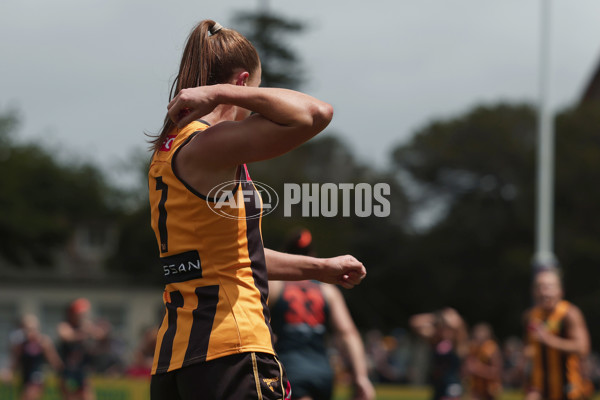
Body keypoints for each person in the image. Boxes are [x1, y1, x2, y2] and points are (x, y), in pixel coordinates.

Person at [147, 20, 366, 400]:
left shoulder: (170, 148)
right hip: (231, 347)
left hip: (175, 361)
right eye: (257, 89)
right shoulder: (208, 146)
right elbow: (316, 113)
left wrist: (319, 268)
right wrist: (222, 92)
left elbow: (231, 256)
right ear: (244, 82)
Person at [268, 229, 375, 400]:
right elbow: (347, 333)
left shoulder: (274, 286)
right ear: (312, 254)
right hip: (322, 372)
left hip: (289, 369)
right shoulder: (328, 291)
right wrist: (361, 377)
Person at [524, 267, 594, 400]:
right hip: (541, 390)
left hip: (569, 390)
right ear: (533, 292)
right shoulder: (531, 317)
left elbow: (583, 348)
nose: (544, 292)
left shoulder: (569, 314)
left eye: (549, 287)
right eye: (539, 287)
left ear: (560, 291)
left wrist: (549, 340)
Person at [409, 307, 469, 400]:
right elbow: (414, 322)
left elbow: (457, 325)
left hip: (452, 386)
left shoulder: (457, 341)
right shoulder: (435, 339)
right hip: (437, 386)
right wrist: (437, 316)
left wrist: (449, 316)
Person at [6, 314, 63, 400]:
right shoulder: (20, 345)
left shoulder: (43, 342)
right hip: (24, 377)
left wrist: (60, 374)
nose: (30, 332)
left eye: (32, 329)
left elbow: (54, 362)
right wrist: (9, 372)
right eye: (26, 329)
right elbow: (14, 361)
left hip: (37, 376)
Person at [57, 298, 100, 400]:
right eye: (79, 313)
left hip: (81, 370)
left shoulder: (85, 325)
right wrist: (83, 333)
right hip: (68, 371)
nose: (82, 316)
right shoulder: (65, 325)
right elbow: (65, 336)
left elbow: (99, 335)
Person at [463, 322, 502, 400]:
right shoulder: (473, 348)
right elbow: (467, 368)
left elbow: (496, 372)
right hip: (476, 387)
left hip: (490, 388)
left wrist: (477, 369)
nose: (479, 336)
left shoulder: (492, 348)